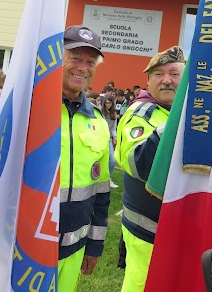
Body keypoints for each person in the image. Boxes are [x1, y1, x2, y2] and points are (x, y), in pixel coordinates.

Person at [115, 46, 185, 292]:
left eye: (175, 74)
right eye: (158, 74)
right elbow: (139, 162)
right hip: (148, 231)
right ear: (147, 81)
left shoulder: (190, 113)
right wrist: (175, 123)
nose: (167, 80)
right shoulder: (140, 113)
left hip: (177, 228)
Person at [59, 25, 111, 292]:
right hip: (25, 245)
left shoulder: (99, 122)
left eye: (90, 62)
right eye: (75, 58)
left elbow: (101, 193)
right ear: (58, 58)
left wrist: (94, 244)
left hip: (73, 249)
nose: (82, 67)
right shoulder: (29, 106)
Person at [101, 95, 119, 188]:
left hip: (109, 139)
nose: (108, 104)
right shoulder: (100, 112)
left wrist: (115, 137)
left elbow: (113, 128)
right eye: (106, 103)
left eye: (109, 102)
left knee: (112, 160)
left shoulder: (114, 114)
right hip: (100, 138)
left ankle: (108, 179)